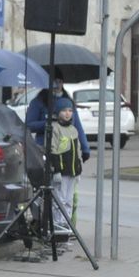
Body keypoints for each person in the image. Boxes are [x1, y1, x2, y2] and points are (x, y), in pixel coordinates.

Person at [44, 95, 90, 238]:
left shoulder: (73, 130)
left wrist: (78, 169)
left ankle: (66, 226)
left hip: (72, 171)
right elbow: (52, 150)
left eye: (70, 110)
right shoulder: (54, 128)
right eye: (64, 110)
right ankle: (57, 227)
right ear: (58, 112)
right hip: (61, 172)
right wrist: (56, 170)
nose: (67, 113)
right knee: (59, 200)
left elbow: (77, 151)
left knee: (69, 200)